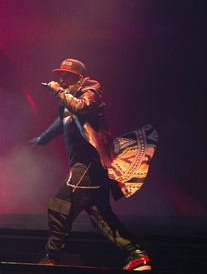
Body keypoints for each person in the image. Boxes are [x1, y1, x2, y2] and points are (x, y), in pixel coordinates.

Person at [29, 59, 151, 270]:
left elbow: (82, 108)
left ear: (79, 78)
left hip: (88, 166)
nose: (61, 80)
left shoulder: (91, 90)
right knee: (101, 216)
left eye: (66, 75)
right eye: (60, 75)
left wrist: (58, 91)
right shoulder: (68, 101)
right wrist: (42, 139)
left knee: (59, 206)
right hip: (88, 169)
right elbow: (62, 122)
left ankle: (50, 259)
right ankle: (137, 256)